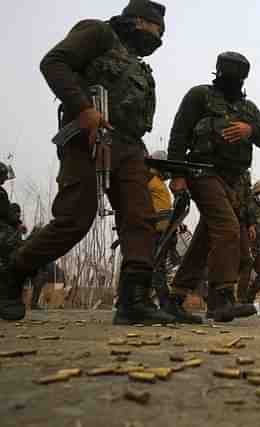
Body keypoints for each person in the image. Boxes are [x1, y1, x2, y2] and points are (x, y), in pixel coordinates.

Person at [0, 1, 175, 324]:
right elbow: (54, 62)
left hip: (129, 146)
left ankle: (133, 301)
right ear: (138, 21)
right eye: (156, 29)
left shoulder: (136, 62)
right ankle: (12, 274)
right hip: (85, 138)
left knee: (141, 218)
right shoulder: (98, 32)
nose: (159, 37)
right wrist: (83, 109)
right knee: (75, 219)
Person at [166, 51, 260, 323]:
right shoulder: (199, 96)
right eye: (230, 73)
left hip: (234, 180)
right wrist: (176, 175)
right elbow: (179, 134)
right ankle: (224, 296)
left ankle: (175, 298)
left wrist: (250, 131)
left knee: (204, 240)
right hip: (202, 172)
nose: (234, 80)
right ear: (218, 72)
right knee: (227, 229)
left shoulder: (248, 109)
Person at [238, 178, 260, 304]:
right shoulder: (248, 206)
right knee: (246, 271)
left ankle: (249, 297)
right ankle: (240, 300)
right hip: (249, 245)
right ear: (256, 194)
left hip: (259, 247)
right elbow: (243, 220)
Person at [147, 150, 173, 307]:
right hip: (153, 232)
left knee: (158, 267)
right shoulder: (149, 180)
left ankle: (155, 300)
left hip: (163, 232)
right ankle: (165, 302)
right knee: (157, 268)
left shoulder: (159, 182)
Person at [0, 163, 24, 319]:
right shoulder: (1, 193)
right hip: (3, 234)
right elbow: (6, 213)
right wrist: (17, 224)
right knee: (8, 266)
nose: (4, 179)